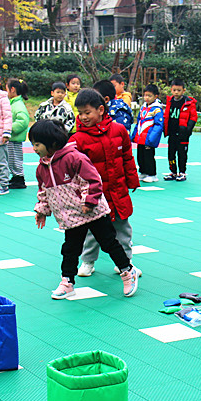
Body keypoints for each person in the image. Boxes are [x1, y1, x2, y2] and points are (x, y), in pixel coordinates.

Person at [31, 119, 140, 298]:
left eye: (37, 144)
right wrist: (42, 210)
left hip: (93, 212)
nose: (34, 149)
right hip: (72, 217)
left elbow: (92, 180)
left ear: (52, 143)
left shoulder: (74, 158)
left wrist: (89, 201)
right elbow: (44, 191)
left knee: (108, 243)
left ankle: (127, 271)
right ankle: (67, 282)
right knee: (70, 249)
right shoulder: (42, 167)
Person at [70, 89, 141, 278]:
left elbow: (127, 157)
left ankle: (125, 263)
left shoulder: (118, 130)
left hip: (118, 191)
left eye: (88, 112)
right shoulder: (77, 139)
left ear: (101, 109)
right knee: (92, 231)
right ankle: (87, 262)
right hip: (94, 195)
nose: (83, 117)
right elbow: (73, 171)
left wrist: (132, 179)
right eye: (81, 113)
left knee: (123, 228)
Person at [163, 78, 198, 181]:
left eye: (179, 90)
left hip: (183, 133)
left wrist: (188, 129)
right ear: (171, 90)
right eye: (174, 90)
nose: (176, 92)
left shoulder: (189, 102)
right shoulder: (170, 101)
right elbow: (166, 116)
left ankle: (182, 172)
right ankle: (173, 171)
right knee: (171, 153)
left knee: (182, 154)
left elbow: (193, 117)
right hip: (172, 133)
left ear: (184, 90)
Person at [131, 84, 163, 182]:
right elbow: (139, 121)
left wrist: (152, 138)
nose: (147, 98)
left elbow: (159, 125)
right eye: (145, 95)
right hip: (141, 137)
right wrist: (134, 134)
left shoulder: (157, 109)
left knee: (149, 156)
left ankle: (152, 174)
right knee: (140, 156)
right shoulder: (143, 107)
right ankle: (143, 172)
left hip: (149, 138)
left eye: (149, 96)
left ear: (155, 96)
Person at [6, 78, 29, 189]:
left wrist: (9, 128)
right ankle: (15, 177)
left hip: (15, 139)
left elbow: (23, 121)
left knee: (15, 159)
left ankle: (19, 178)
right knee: (11, 159)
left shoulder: (18, 105)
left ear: (12, 90)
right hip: (12, 138)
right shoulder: (13, 103)